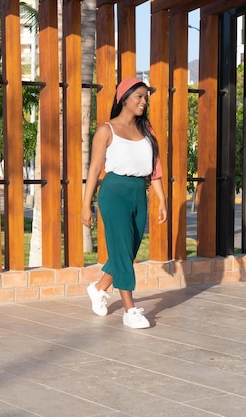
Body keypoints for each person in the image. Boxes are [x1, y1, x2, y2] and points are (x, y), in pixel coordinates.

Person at [81, 77, 167, 329]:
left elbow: (155, 169)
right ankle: (130, 310)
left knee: (126, 252)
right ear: (124, 98)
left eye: (145, 97)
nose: (144, 101)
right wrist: (86, 205)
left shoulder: (147, 131)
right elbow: (95, 169)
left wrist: (161, 200)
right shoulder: (106, 130)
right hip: (114, 192)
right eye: (139, 96)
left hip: (139, 192)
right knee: (122, 250)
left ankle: (99, 288)